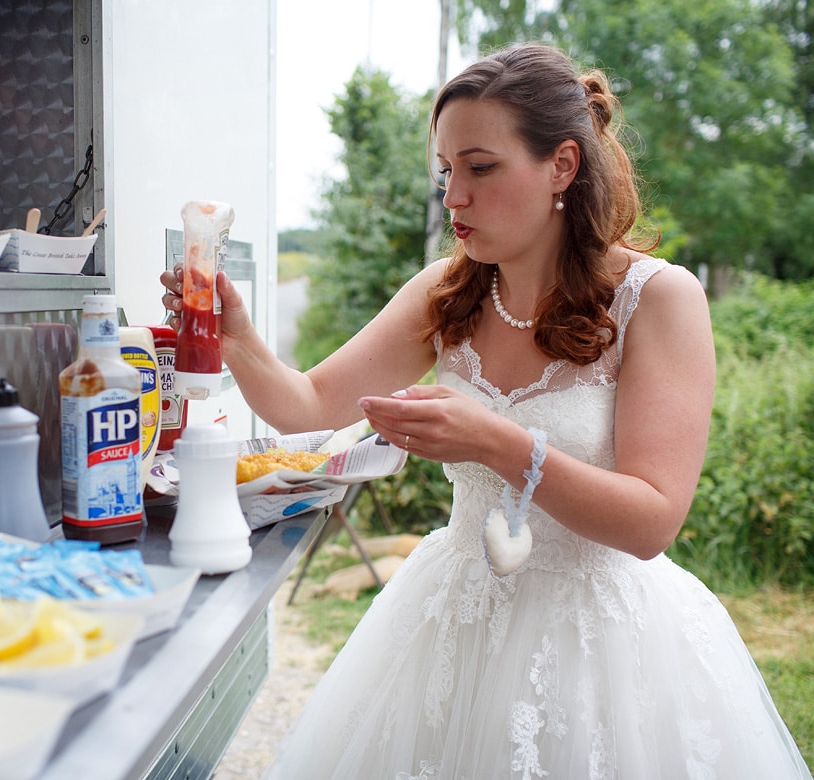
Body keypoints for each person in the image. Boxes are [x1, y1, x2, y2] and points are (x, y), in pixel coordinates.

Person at [161, 43, 811, 780]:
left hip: (598, 645)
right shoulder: (445, 290)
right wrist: (239, 336)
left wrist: (498, 443)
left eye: (480, 167)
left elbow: (652, 520)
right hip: (448, 620)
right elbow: (304, 405)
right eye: (445, 172)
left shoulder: (659, 299)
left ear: (562, 166)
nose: (453, 198)